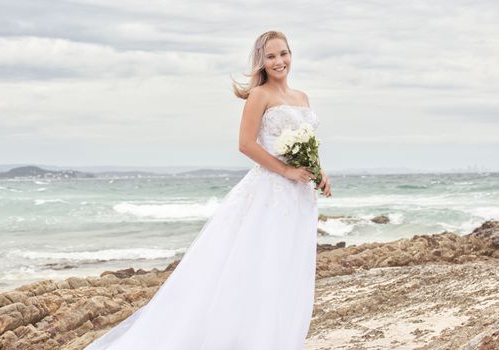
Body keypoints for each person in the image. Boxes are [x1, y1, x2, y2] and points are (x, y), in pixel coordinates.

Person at [83, 30, 331, 350]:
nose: (279, 61)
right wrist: (285, 170)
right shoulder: (260, 96)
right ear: (261, 62)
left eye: (283, 53)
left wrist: (319, 172)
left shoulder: (302, 97)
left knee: (288, 268)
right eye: (270, 56)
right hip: (271, 193)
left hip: (300, 195)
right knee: (260, 266)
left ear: (291, 54)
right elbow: (245, 144)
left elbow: (309, 146)